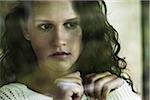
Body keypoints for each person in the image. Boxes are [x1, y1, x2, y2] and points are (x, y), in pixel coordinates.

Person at [0, 0, 141, 100]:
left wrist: (121, 95)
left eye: (70, 25)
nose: (59, 40)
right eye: (45, 27)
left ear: (86, 28)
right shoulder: (10, 96)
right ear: (26, 30)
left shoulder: (114, 88)